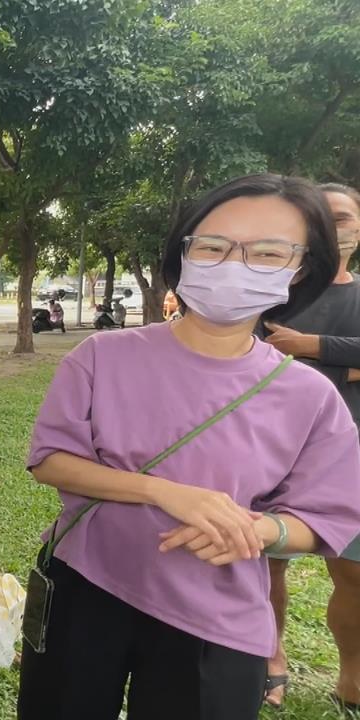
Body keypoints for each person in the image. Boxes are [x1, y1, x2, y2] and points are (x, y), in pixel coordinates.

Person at [18, 174, 360, 720]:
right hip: (84, 585)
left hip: (218, 619)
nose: (234, 264)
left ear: (300, 270)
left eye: (268, 251)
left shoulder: (310, 396)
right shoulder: (102, 355)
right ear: (185, 254)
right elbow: (51, 461)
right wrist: (163, 492)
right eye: (214, 246)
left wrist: (260, 530)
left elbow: (326, 516)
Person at [261, 182, 360, 711]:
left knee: (352, 574)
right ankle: (271, 658)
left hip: (352, 456)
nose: (335, 226)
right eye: (323, 217)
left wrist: (309, 348)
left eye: (343, 216)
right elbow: (257, 355)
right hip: (276, 449)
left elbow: (286, 353)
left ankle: (352, 677)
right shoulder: (277, 292)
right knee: (267, 563)